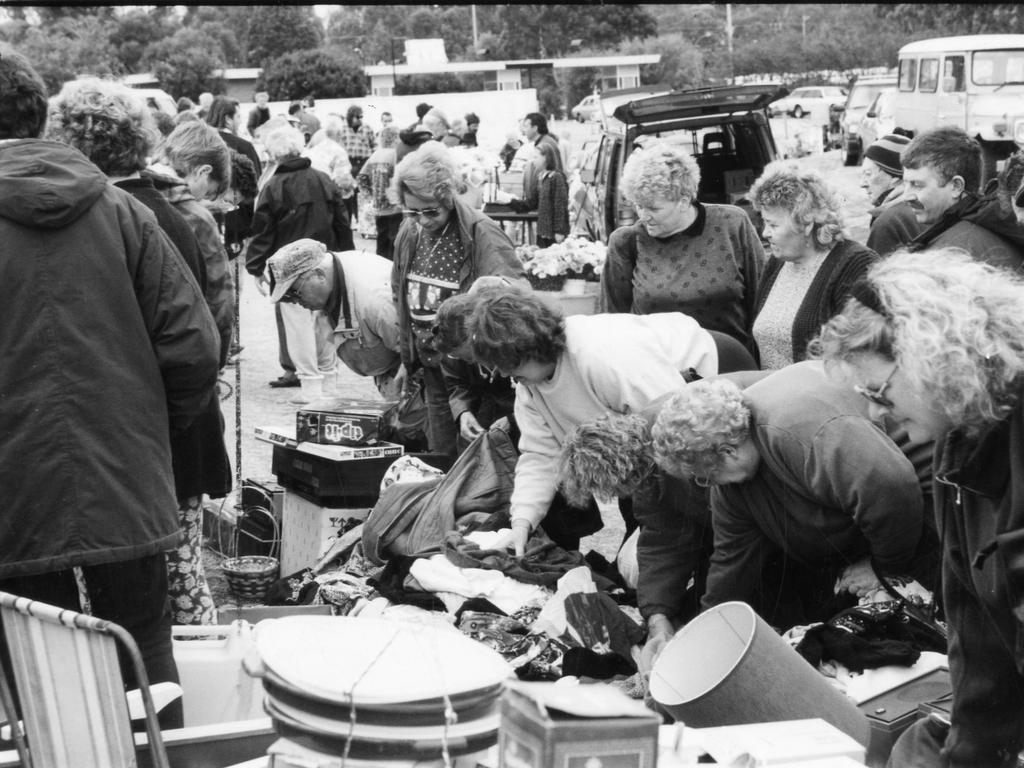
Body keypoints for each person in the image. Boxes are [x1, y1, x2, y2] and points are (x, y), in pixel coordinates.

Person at [0, 48, 219, 727]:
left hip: (15, 484)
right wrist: (147, 429)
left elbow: (193, 350)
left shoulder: (124, 211)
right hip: (123, 470)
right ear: (40, 118)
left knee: (43, 670)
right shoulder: (125, 212)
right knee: (144, 658)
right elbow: (195, 348)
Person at [811, 247, 1024, 768]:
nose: (875, 414)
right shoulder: (958, 453)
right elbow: (977, 639)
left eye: (879, 392)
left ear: (938, 362)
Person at [47, 77, 233, 629]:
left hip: (142, 440)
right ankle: (189, 695)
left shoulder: (120, 219)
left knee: (149, 594)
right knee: (177, 579)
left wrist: (150, 420)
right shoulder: (173, 213)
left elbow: (191, 343)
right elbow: (208, 336)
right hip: (168, 429)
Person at [651, 362, 928, 630]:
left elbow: (893, 490)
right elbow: (731, 559)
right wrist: (709, 627)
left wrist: (882, 566)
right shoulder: (734, 479)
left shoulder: (802, 431)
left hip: (927, 494)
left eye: (704, 475)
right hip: (878, 519)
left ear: (727, 451)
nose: (704, 483)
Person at [465, 288, 722, 558]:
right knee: (647, 521)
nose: (505, 373)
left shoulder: (602, 355)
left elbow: (674, 423)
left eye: (508, 363)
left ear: (532, 346)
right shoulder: (528, 386)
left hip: (703, 380)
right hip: (647, 429)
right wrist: (522, 522)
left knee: (691, 516)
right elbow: (540, 455)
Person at [391, 141, 526, 459]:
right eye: (414, 212)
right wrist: (405, 356)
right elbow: (400, 293)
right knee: (442, 455)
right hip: (432, 370)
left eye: (430, 211)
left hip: (474, 376)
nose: (422, 219)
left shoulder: (480, 232)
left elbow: (511, 298)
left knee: (483, 461)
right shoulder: (409, 232)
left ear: (448, 197)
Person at [601, 142, 766, 353]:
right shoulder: (626, 242)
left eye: (654, 208)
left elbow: (762, 298)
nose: (643, 216)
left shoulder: (731, 223)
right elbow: (613, 322)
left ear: (684, 200)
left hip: (731, 365)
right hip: (661, 372)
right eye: (638, 205)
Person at [245, 124, 354, 404]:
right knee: (325, 319)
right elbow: (341, 219)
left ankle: (310, 384)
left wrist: (256, 265)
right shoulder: (322, 178)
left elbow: (264, 230)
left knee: (298, 325)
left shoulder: (273, 186)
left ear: (274, 154)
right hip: (325, 259)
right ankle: (329, 377)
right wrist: (347, 254)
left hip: (289, 267)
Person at [748, 160, 878, 370]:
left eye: (773, 224)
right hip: (772, 396)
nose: (765, 233)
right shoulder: (777, 262)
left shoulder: (855, 264)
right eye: (764, 223)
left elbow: (859, 356)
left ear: (807, 222)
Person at [146, 120, 236, 369]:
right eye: (208, 192)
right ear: (203, 171)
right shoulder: (196, 217)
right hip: (185, 352)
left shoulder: (123, 196)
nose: (203, 200)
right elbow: (220, 299)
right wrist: (217, 360)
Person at [266, 239, 402, 397]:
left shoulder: (376, 302)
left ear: (318, 275)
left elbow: (416, 354)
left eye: (295, 292)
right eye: (288, 297)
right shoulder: (332, 278)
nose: (295, 301)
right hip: (389, 370)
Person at [902, 125, 1024, 269]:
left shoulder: (950, 257)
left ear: (956, 186)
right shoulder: (998, 225)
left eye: (917, 185)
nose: (906, 196)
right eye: (905, 184)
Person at [205, 96, 262, 256]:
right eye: (238, 117)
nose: (240, 121)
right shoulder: (243, 146)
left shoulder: (199, 144)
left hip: (202, 225)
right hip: (236, 230)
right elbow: (254, 188)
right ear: (227, 119)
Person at [861, 133, 922, 256]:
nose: (862, 184)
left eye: (868, 174)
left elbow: (876, 273)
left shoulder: (887, 222)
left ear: (896, 179)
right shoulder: (926, 207)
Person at [357, 124, 403, 261]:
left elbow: (361, 177)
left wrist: (370, 195)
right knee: (395, 242)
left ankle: (381, 268)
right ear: (396, 138)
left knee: (381, 240)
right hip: (395, 206)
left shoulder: (375, 154)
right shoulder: (396, 155)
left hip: (378, 206)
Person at [522, 141, 569, 248]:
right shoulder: (541, 176)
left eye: (536, 157)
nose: (533, 160)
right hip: (543, 230)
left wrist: (559, 231)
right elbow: (534, 202)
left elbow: (560, 205)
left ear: (546, 158)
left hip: (554, 233)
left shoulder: (557, 177)